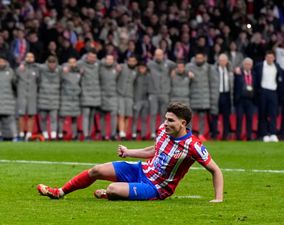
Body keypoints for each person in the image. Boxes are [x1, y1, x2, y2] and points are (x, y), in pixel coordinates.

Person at [37, 102, 224, 202]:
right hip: (142, 170)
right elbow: (154, 150)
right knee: (96, 170)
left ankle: (111, 194)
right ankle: (59, 192)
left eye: (171, 121)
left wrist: (218, 199)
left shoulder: (193, 146)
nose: (166, 123)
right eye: (166, 119)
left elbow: (215, 170)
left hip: (157, 187)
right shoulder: (163, 130)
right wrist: (128, 152)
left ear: (183, 124)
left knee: (112, 189)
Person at [186, 51, 217, 141]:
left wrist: (211, 97)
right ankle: (189, 135)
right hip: (193, 97)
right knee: (190, 117)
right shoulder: (189, 67)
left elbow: (212, 83)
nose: (199, 60)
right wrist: (188, 77)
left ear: (204, 58)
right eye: (197, 58)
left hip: (204, 98)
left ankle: (201, 134)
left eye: (200, 58)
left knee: (202, 118)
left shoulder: (208, 68)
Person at [147, 49, 176, 139]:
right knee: (153, 113)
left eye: (160, 55)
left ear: (163, 55)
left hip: (165, 93)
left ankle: (163, 132)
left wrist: (174, 71)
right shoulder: (150, 64)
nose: (158, 56)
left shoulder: (169, 64)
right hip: (153, 93)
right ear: (154, 55)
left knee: (164, 114)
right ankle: (152, 133)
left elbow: (178, 66)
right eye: (156, 55)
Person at [254, 50, 282, 142]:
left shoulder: (277, 66)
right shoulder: (259, 66)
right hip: (263, 92)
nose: (270, 59)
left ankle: (273, 133)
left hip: (273, 92)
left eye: (272, 57)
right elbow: (256, 79)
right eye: (268, 57)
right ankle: (264, 134)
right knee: (263, 114)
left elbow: (280, 78)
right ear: (265, 57)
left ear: (274, 58)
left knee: (273, 114)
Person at [77, 50, 102, 140]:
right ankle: (86, 134)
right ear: (87, 56)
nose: (92, 59)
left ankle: (89, 134)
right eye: (90, 57)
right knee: (86, 114)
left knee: (92, 115)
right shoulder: (80, 64)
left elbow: (110, 63)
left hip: (96, 93)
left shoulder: (98, 64)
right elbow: (70, 65)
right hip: (85, 93)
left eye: (94, 57)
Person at [16, 52, 39, 141]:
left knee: (31, 115)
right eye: (28, 56)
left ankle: (29, 134)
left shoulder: (36, 69)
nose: (30, 58)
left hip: (32, 95)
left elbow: (39, 81)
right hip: (22, 95)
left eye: (31, 56)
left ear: (34, 58)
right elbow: (15, 81)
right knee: (21, 115)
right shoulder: (19, 69)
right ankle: (21, 134)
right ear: (25, 58)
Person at [210, 54, 234, 140]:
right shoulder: (213, 70)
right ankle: (214, 136)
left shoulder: (230, 70)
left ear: (227, 61)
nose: (223, 62)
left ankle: (225, 136)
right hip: (217, 95)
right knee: (214, 116)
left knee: (226, 117)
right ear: (218, 61)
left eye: (224, 60)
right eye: (221, 60)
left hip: (227, 95)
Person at [38, 56, 61, 140]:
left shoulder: (60, 70)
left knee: (53, 119)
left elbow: (69, 66)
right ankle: (45, 135)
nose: (52, 65)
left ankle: (54, 136)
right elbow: (31, 64)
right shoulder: (42, 69)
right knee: (43, 119)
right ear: (47, 63)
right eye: (50, 63)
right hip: (43, 98)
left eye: (53, 63)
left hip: (54, 99)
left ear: (56, 63)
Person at [58, 57, 81, 140]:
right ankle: (60, 134)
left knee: (74, 118)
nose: (72, 64)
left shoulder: (79, 73)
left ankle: (74, 135)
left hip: (75, 98)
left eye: (74, 62)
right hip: (65, 97)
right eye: (70, 62)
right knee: (62, 117)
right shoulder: (63, 71)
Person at [234, 58, 256, 140]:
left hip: (250, 100)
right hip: (240, 100)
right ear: (243, 65)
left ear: (251, 65)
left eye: (249, 64)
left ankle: (249, 137)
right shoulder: (238, 74)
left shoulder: (254, 74)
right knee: (239, 119)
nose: (247, 65)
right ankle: (238, 137)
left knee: (250, 119)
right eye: (246, 64)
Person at [117, 54, 138, 140]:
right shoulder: (122, 67)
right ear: (127, 61)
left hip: (130, 96)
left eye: (133, 61)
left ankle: (124, 133)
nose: (131, 62)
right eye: (130, 61)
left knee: (127, 115)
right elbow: (115, 65)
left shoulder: (136, 71)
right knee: (121, 114)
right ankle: (121, 132)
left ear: (135, 62)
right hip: (120, 95)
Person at [99, 54, 120, 140]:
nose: (109, 61)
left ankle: (113, 134)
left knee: (114, 115)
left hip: (113, 95)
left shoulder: (117, 69)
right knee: (102, 116)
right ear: (105, 60)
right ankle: (103, 135)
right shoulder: (100, 68)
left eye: (111, 59)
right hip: (102, 94)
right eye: (108, 59)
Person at [0, 54, 18, 141]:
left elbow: (16, 86)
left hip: (8, 101)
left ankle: (14, 137)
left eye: (2, 61)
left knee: (10, 121)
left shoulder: (10, 72)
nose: (0, 63)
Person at [132, 62, 150, 140]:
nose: (142, 69)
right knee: (135, 118)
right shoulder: (136, 76)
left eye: (143, 68)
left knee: (144, 119)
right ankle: (133, 134)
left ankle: (143, 135)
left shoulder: (148, 76)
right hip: (137, 100)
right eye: (141, 68)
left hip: (145, 100)